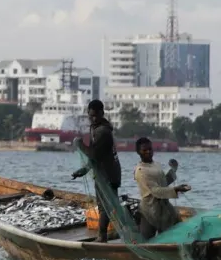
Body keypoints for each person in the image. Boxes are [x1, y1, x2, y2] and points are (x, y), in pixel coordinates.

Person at [69, 100, 122, 243]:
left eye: (96, 115)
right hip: (102, 172)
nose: (94, 118)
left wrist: (80, 144)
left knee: (106, 206)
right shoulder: (95, 128)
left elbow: (93, 154)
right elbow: (96, 157)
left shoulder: (103, 131)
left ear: (102, 113)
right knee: (104, 205)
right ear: (88, 114)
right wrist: (84, 170)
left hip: (110, 174)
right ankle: (104, 234)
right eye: (91, 116)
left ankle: (102, 236)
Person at [133, 136, 191, 237]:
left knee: (174, 235)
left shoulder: (156, 165)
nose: (148, 152)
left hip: (163, 209)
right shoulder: (141, 171)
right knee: (147, 242)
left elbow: (163, 183)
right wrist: (176, 189)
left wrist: (174, 169)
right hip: (150, 210)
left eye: (150, 149)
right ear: (138, 152)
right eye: (144, 150)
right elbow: (156, 191)